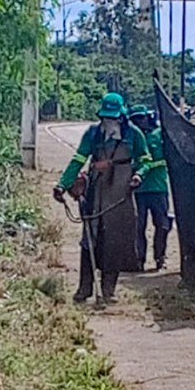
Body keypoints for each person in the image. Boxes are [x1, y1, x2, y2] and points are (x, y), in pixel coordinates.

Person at [54, 93, 150, 304]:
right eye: (106, 117)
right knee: (90, 238)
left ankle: (108, 290)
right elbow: (78, 159)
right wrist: (62, 184)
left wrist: (138, 175)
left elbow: (145, 160)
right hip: (96, 191)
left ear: (121, 116)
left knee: (115, 240)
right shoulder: (93, 134)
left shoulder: (134, 134)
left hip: (121, 194)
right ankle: (84, 288)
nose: (109, 121)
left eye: (113, 117)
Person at [127, 105, 172, 271]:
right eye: (135, 119)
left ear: (148, 117)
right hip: (137, 190)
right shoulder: (130, 137)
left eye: (141, 118)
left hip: (158, 188)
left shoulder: (159, 134)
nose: (139, 122)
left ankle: (160, 257)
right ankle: (139, 260)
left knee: (162, 225)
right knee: (137, 227)